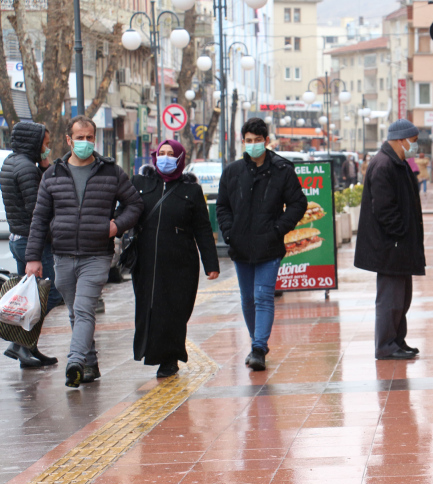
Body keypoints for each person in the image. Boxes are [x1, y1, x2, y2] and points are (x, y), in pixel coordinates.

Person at [25, 115, 144, 387]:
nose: (86, 143)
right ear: (69, 140)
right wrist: (32, 257)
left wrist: (116, 226)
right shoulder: (52, 174)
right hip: (63, 254)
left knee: (83, 308)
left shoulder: (111, 172)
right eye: (80, 138)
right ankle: (90, 364)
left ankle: (75, 361)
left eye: (90, 137)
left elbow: (134, 205)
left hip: (97, 254)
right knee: (74, 311)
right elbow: (40, 218)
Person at [216, 118, 307, 372]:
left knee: (263, 295)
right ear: (242, 141)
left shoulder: (282, 169)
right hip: (241, 245)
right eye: (249, 140)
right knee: (247, 299)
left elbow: (299, 203)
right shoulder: (233, 171)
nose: (253, 145)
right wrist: (229, 232)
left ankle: (258, 348)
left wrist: (278, 229)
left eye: (258, 140)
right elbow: (222, 206)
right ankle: (256, 343)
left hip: (269, 245)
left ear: (266, 141)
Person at [130, 141, 220, 378]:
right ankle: (150, 351)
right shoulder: (140, 183)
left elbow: (202, 227)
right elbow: (125, 213)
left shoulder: (191, 190)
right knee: (148, 306)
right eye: (162, 154)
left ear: (180, 158)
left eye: (172, 154)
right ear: (155, 156)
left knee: (175, 310)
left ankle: (169, 358)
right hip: (146, 259)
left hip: (181, 261)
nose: (166, 158)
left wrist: (211, 263)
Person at [354, 118, 426, 360]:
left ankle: (397, 340)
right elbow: (384, 209)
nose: (415, 146)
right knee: (390, 299)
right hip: (390, 246)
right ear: (400, 140)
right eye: (413, 141)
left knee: (402, 298)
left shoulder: (399, 163)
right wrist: (400, 234)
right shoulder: (384, 165)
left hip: (399, 245)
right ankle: (386, 345)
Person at [0, 122, 62, 368]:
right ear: (33, 143)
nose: (46, 149)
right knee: (52, 293)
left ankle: (28, 347)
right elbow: (38, 210)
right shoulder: (26, 169)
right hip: (33, 242)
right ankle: (20, 344)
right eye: (45, 144)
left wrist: (44, 166)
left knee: (30, 295)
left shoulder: (12, 163)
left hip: (19, 238)